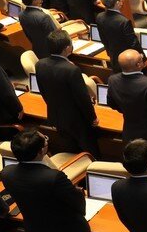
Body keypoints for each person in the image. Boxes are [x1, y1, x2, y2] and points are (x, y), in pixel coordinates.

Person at [2, 129, 93, 232]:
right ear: (41, 152)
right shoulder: (54, 177)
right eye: (45, 140)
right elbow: (79, 205)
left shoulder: (7, 173)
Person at [36, 29, 100, 157]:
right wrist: (92, 117)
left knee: (69, 148)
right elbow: (82, 98)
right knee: (90, 151)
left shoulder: (40, 64)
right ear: (67, 48)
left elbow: (43, 91)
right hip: (77, 120)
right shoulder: (71, 70)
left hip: (56, 115)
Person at [96, 0, 140, 71]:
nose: (121, 1)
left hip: (113, 56)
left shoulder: (99, 17)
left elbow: (103, 38)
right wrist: (141, 57)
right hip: (128, 59)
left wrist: (109, 53)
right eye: (120, 0)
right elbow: (133, 42)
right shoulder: (123, 21)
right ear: (117, 3)